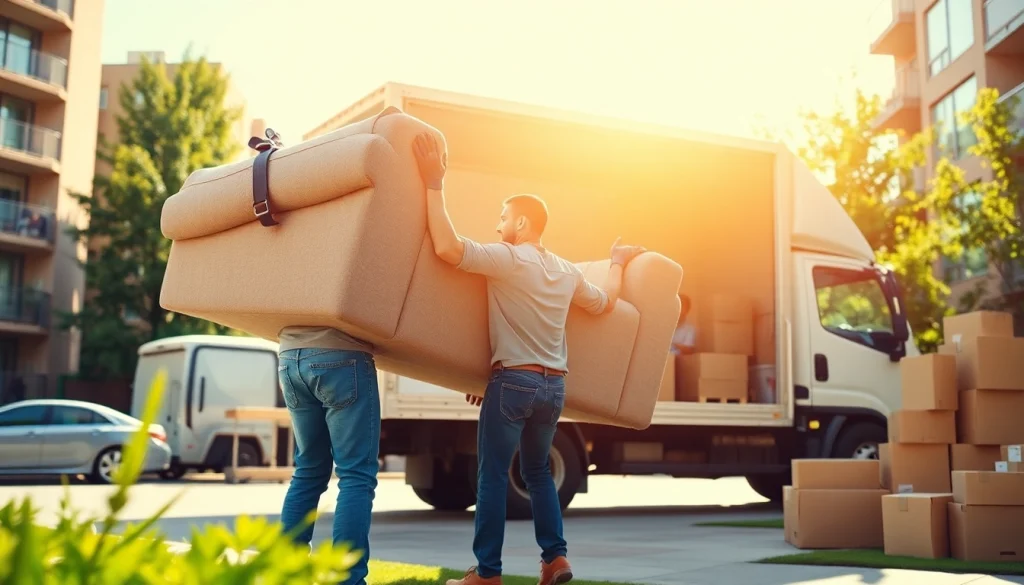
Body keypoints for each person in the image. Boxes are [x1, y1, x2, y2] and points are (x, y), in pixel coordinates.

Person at [412, 133, 646, 585]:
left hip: (513, 385)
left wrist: (433, 182)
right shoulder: (565, 270)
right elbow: (605, 303)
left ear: (521, 224)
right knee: (538, 472)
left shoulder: (507, 259)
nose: (498, 226)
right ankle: (555, 560)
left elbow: (446, 246)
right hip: (553, 388)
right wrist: (617, 261)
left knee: (494, 477)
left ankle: (487, 573)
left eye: (503, 219)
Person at [275, 325, 380, 585]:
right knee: (356, 476)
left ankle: (288, 576)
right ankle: (347, 580)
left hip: (289, 356)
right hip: (342, 353)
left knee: (307, 473)